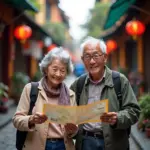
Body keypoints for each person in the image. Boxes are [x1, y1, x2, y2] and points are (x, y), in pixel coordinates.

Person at [70, 37, 141, 150]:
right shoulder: (78, 84)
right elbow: (69, 113)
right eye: (87, 57)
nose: (92, 61)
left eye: (96, 55)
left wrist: (118, 118)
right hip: (85, 142)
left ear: (105, 57)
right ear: (83, 60)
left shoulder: (119, 80)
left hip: (114, 142)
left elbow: (134, 111)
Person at [13, 47, 78, 150]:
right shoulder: (30, 89)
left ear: (66, 73)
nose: (58, 74)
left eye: (62, 70)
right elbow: (16, 120)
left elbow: (74, 128)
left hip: (63, 146)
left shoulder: (71, 95)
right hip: (36, 145)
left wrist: (73, 129)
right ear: (46, 69)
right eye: (55, 69)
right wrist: (31, 119)